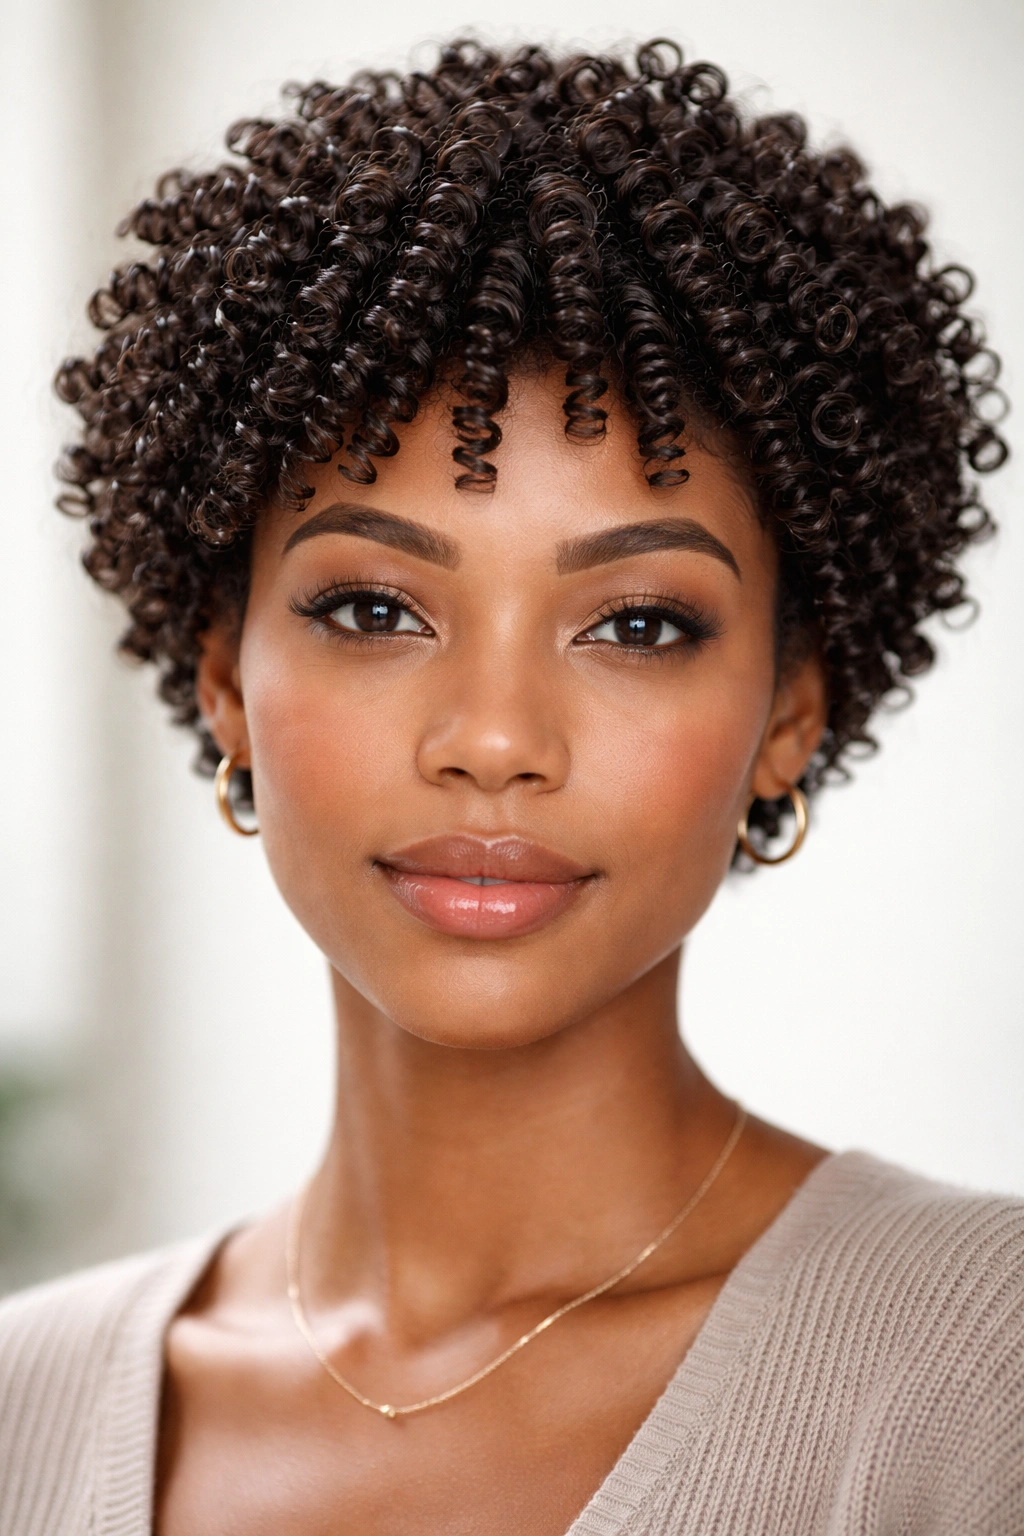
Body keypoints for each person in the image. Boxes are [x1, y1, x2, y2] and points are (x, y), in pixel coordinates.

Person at [0, 37, 1021, 1536]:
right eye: (373, 608)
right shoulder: (24, 1412)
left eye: (638, 624)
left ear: (789, 713)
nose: (492, 736)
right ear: (224, 672)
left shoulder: (982, 1385)